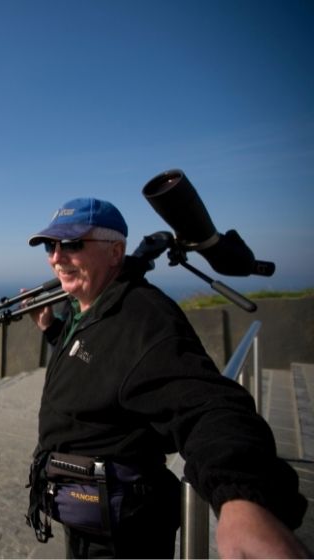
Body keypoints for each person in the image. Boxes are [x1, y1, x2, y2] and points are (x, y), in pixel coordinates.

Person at [24, 198, 308, 558]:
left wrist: (242, 498)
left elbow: (209, 408)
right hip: (86, 511)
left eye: (72, 244)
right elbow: (95, 358)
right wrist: (52, 329)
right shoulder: (85, 306)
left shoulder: (145, 320)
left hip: (122, 530)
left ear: (116, 252)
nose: (56, 257)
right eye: (50, 246)